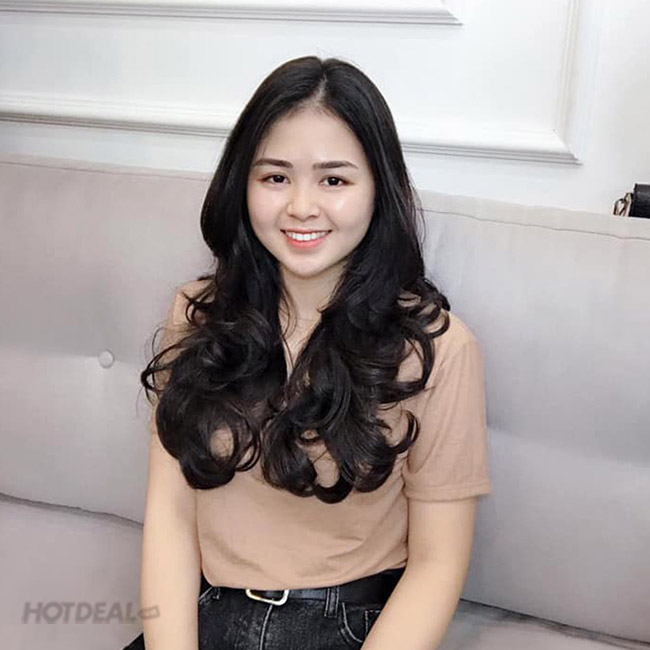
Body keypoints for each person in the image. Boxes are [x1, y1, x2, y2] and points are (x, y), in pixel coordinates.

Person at [122, 55, 492, 650]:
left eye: (334, 180)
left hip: (345, 628)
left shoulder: (439, 350)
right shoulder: (196, 315)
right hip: (206, 613)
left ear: (379, 190)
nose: (300, 206)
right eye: (275, 178)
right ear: (242, 184)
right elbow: (170, 515)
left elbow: (438, 565)